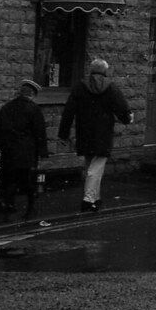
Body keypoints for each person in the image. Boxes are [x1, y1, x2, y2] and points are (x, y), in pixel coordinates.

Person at [57, 59, 132, 213]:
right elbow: (121, 107)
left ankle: (95, 198)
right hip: (103, 133)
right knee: (96, 168)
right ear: (105, 71)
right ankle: (88, 199)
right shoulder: (111, 87)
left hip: (84, 131)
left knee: (90, 165)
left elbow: (69, 111)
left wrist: (63, 133)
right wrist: (127, 118)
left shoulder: (80, 86)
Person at [0, 79, 48, 218]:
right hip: (26, 152)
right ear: (32, 94)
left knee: (9, 179)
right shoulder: (34, 109)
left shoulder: (7, 107)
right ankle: (30, 207)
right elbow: (39, 132)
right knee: (26, 180)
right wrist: (42, 152)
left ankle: (7, 203)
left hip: (9, 151)